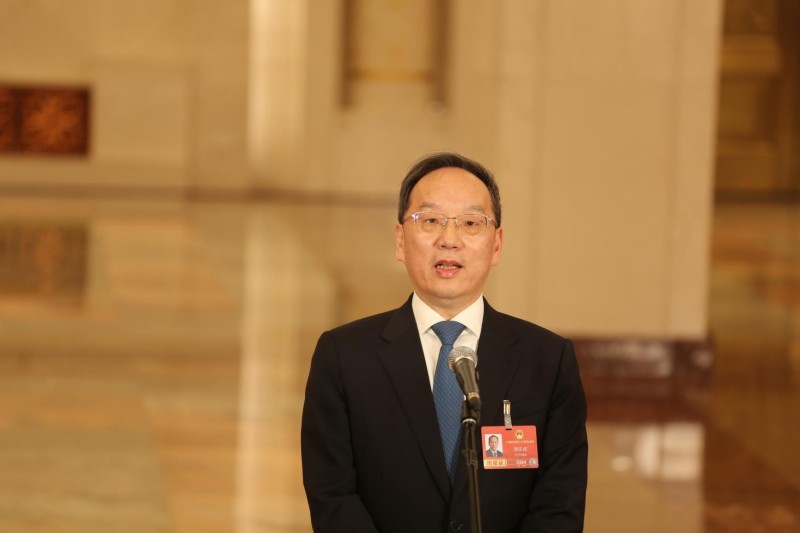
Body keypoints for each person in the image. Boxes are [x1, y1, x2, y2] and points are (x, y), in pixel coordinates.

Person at [301, 152, 588, 532]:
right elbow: (333, 497)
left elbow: (559, 504)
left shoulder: (547, 361)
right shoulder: (344, 357)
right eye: (431, 220)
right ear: (400, 240)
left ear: (497, 244)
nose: (449, 240)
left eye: (471, 223)